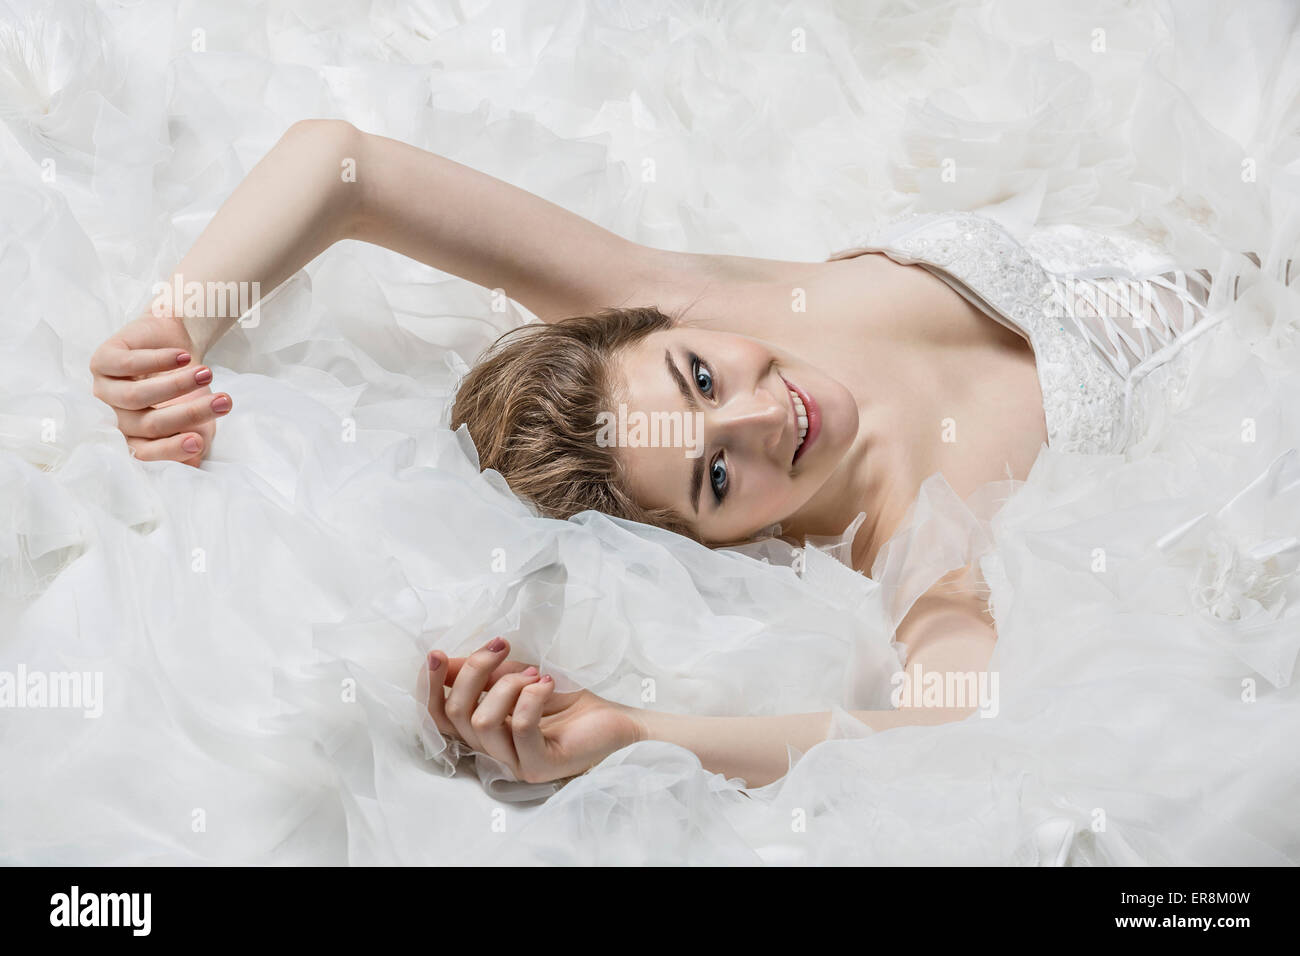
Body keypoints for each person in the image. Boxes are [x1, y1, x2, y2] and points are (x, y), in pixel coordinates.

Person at [89, 119, 1265, 788]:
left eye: (701, 377)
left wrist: (172, 327)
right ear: (720, 544)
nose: (763, 417)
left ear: (664, 330)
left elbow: (344, 167)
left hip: (1218, 169)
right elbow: (949, 729)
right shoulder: (924, 547)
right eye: (715, 476)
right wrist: (639, 734)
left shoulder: (686, 296)